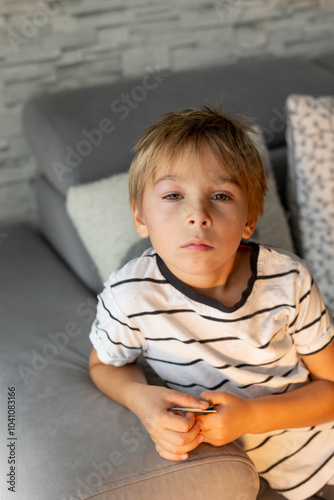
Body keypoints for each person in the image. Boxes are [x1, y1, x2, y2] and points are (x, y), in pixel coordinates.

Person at [89, 105, 334, 500]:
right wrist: (142, 399)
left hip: (323, 461)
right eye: (173, 195)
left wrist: (252, 415)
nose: (197, 215)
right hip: (236, 479)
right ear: (140, 216)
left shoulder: (288, 281)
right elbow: (103, 363)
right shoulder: (130, 296)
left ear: (249, 219)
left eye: (220, 196)